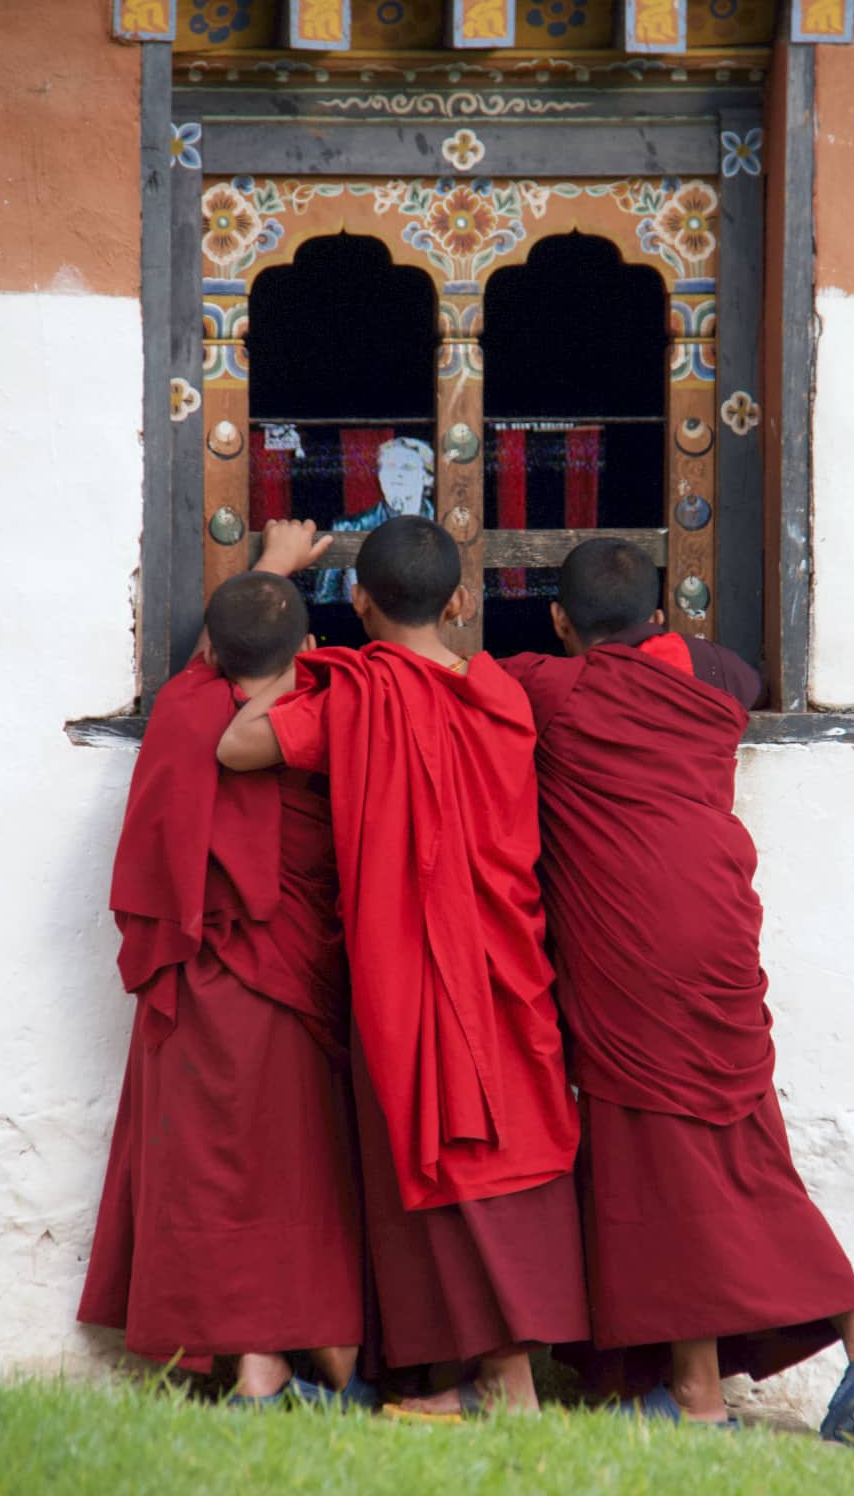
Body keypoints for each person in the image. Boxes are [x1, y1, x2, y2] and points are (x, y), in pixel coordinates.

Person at [501, 537, 854, 1442]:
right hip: (720, 923)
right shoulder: (711, 678)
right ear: (659, 616)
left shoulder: (553, 688)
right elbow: (741, 672)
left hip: (635, 945)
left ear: (558, 621)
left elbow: (468, 688)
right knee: (738, 1139)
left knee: (657, 1157)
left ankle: (701, 1395)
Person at [217, 516, 589, 1418]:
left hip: (416, 964)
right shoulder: (501, 693)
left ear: (360, 599)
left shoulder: (355, 695)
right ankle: (489, 1380)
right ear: (462, 601)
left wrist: (309, 661)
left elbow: (236, 747)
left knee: (446, 1143)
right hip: (505, 957)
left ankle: (501, 1389)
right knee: (501, 1141)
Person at [78, 561, 372, 1408]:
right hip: (292, 977)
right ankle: (306, 1363)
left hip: (199, 983)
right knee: (302, 1168)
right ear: (308, 646)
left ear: (212, 649)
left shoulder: (181, 710)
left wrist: (266, 573)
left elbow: (221, 664)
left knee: (212, 1167)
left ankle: (255, 1363)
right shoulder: (325, 713)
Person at [314, 436, 435, 604]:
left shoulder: (447, 526)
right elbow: (325, 600)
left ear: (428, 478)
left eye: (407, 467)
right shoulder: (349, 528)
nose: (397, 474)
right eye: (389, 466)